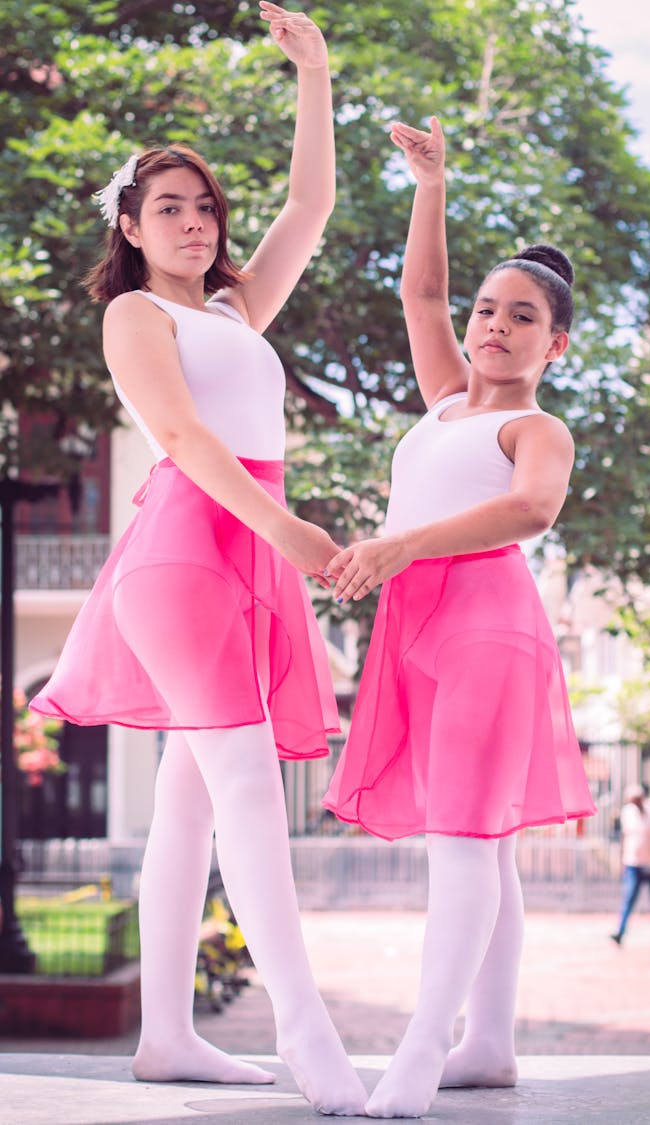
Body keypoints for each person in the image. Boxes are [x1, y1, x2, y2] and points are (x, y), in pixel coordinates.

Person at [30, 4, 367, 1115]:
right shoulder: (135, 315)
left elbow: (311, 202)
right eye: (167, 206)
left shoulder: (236, 309)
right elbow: (180, 439)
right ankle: (308, 1031)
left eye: (206, 206)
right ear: (128, 224)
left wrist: (313, 72)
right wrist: (293, 536)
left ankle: (168, 1035)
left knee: (189, 798)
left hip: (246, 546)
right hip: (188, 552)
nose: (195, 220)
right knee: (244, 786)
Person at [322, 116, 596, 1119]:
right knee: (483, 841)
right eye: (489, 310)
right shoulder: (445, 404)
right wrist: (429, 185)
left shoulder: (538, 425)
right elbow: (420, 292)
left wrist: (399, 546)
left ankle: (420, 1057)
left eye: (522, 318)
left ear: (553, 344)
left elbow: (531, 509)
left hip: (485, 620)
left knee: (466, 842)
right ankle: (489, 1044)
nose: (493, 325)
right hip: (414, 627)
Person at [610, 782, 650, 946]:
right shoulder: (627, 812)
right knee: (628, 897)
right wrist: (622, 859)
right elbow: (625, 837)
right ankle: (620, 931)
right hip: (633, 862)